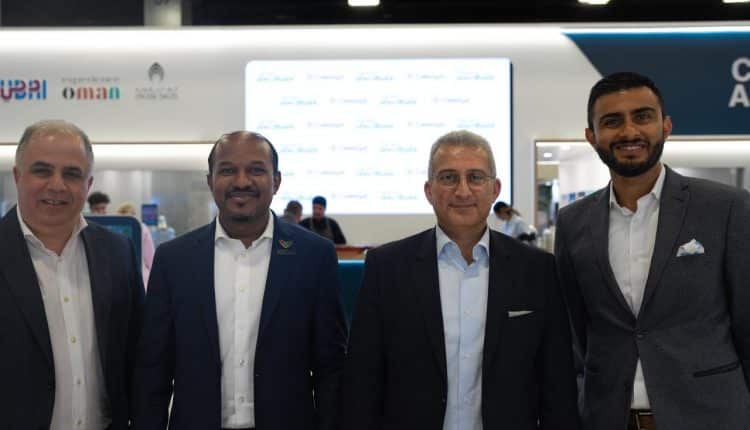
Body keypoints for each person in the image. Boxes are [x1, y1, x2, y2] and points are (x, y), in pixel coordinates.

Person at [341, 130, 580, 430]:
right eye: (448, 178)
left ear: (495, 189)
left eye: (475, 177)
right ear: (429, 190)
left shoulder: (537, 270)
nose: (463, 191)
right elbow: (362, 379)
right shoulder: (386, 268)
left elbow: (557, 383)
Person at [555, 72, 750, 430]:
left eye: (642, 117)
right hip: (608, 417)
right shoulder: (572, 223)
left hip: (710, 416)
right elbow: (577, 331)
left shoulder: (725, 208)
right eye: (612, 122)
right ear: (591, 136)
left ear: (666, 126)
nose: (629, 132)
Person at [133, 131, 347, 430]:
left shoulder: (314, 257)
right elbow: (153, 368)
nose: (242, 181)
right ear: (210, 181)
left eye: (256, 170)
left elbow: (330, 366)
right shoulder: (174, 260)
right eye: (227, 170)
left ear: (276, 181)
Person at [0, 120, 144, 430]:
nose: (57, 185)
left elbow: (137, 354)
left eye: (72, 174)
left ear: (88, 184)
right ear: (17, 176)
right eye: (42, 171)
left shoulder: (117, 253)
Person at [116, 202, 156, 287]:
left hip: (119, 277)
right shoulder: (142, 228)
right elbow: (150, 259)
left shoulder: (114, 229)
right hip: (141, 277)